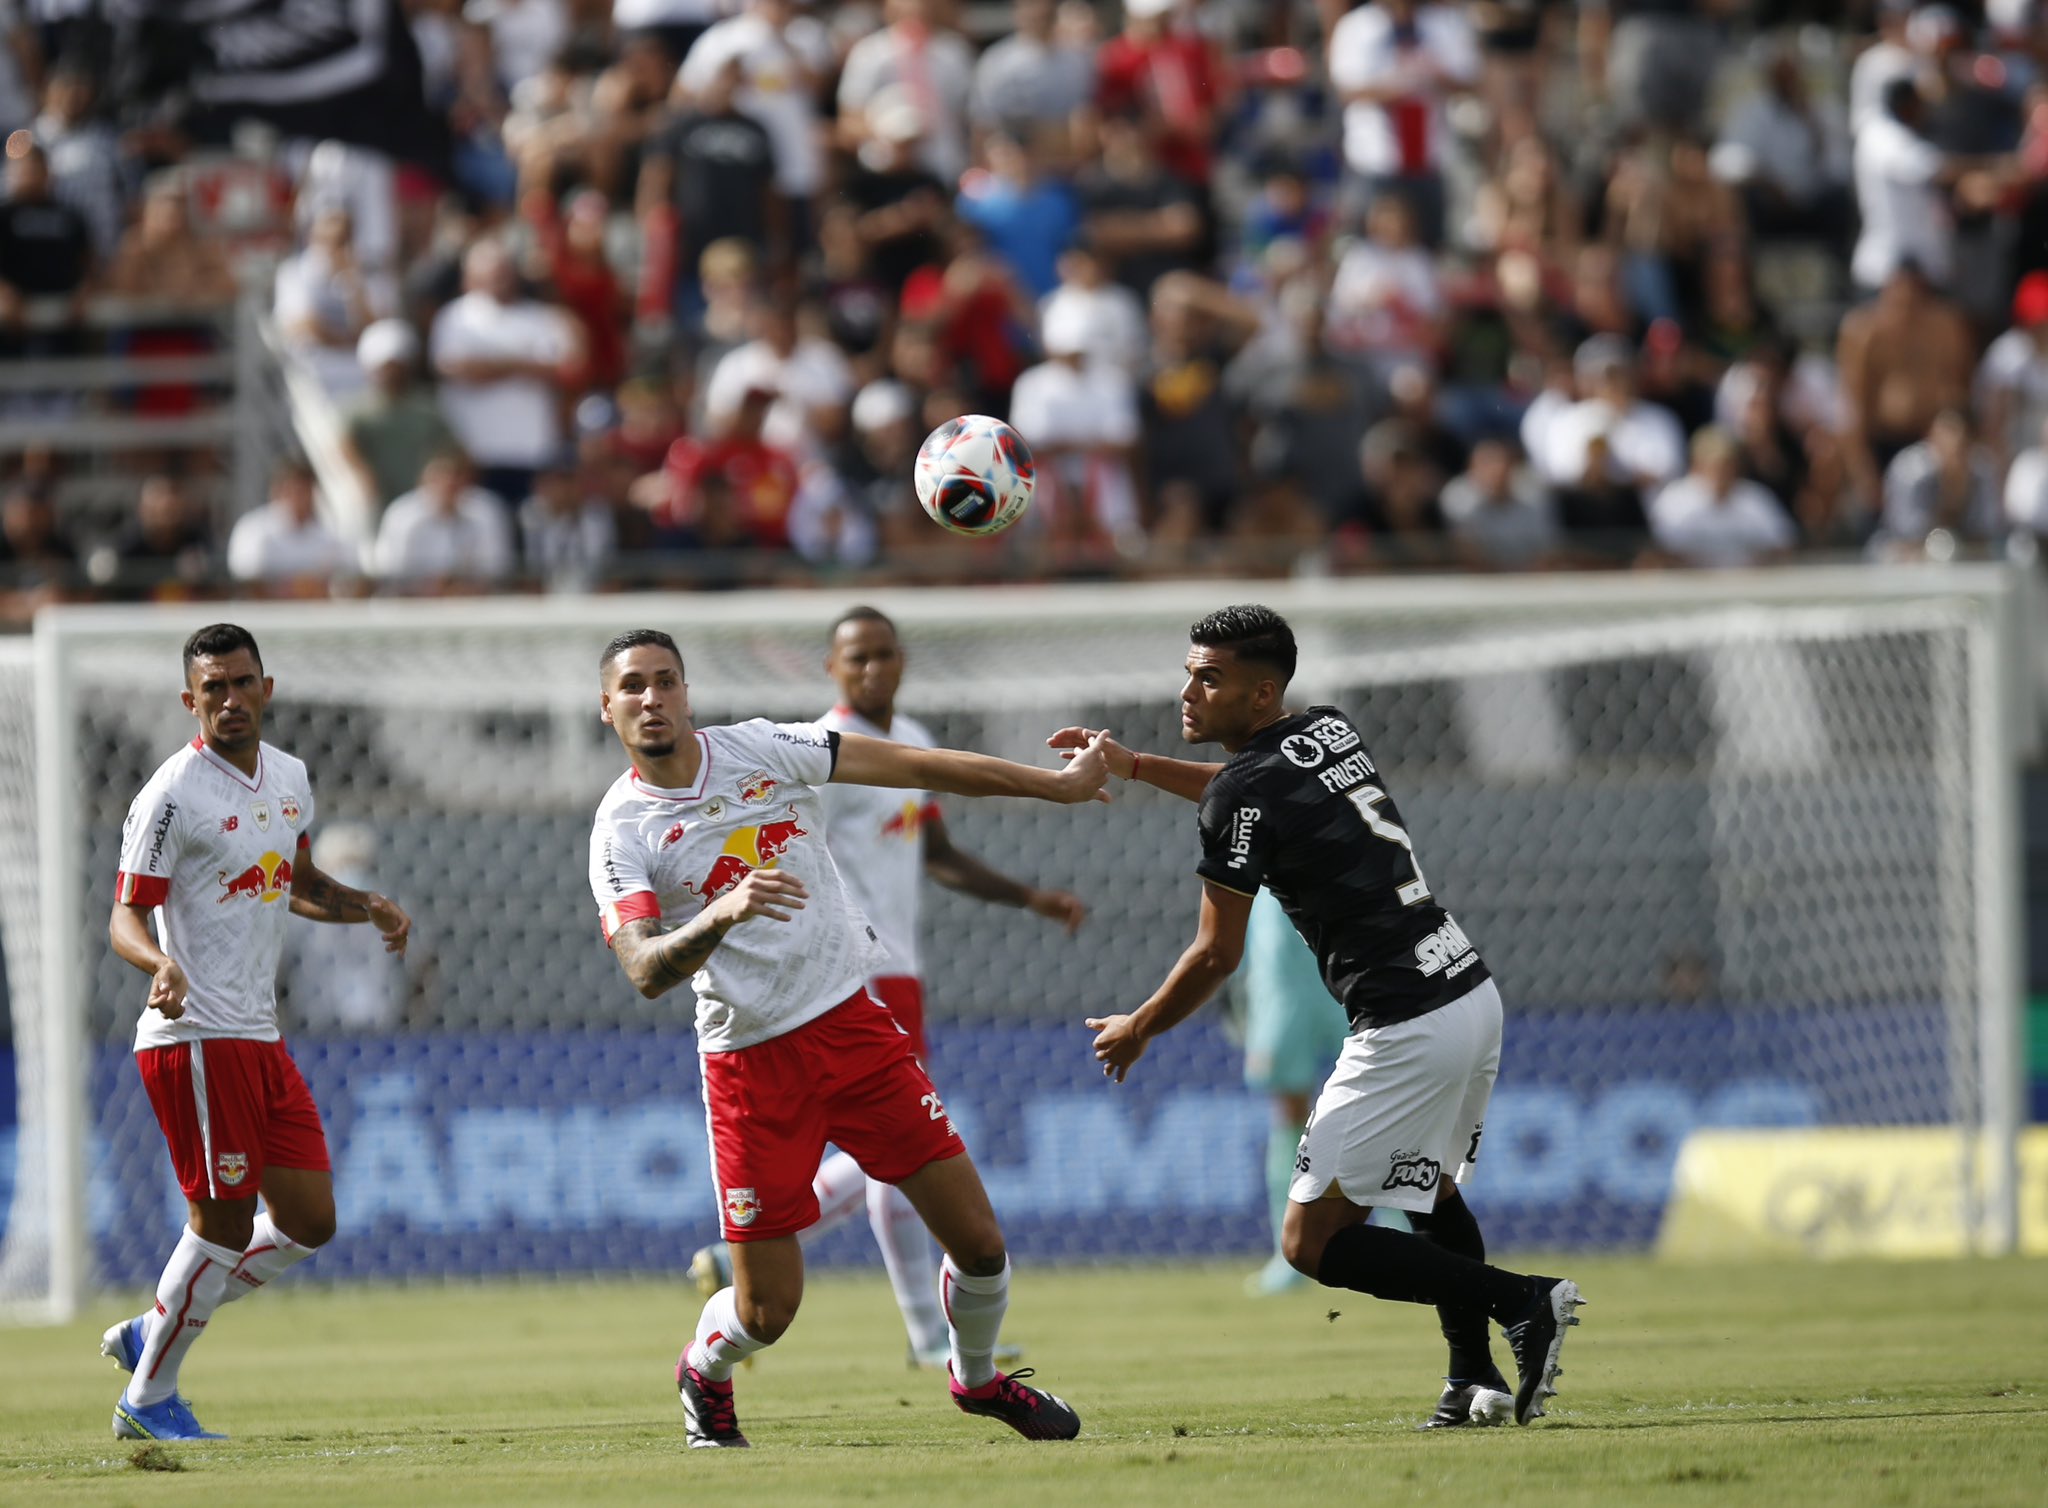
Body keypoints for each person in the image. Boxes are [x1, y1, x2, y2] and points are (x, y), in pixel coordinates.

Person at [1054, 605, 1583, 1431]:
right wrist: (1134, 765)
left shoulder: (1243, 791)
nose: (1188, 690)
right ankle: (1469, 1377)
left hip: (1406, 1020)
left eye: (1211, 678)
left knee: (1312, 1244)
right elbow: (1248, 795)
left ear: (1261, 693)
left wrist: (1141, 1026)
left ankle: (1526, 1302)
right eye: (1190, 671)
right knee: (1428, 1193)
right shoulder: (1325, 729)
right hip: (1467, 989)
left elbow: (1215, 955)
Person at [588, 628, 1107, 1447]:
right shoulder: (622, 830)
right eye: (633, 688)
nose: (652, 699)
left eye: (666, 682)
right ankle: (704, 1369)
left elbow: (919, 768)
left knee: (979, 1244)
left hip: (851, 1025)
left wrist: (1058, 786)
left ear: (688, 694)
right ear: (609, 709)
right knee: (767, 1312)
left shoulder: (763, 748)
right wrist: (721, 912)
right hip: (749, 1065)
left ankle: (977, 1381)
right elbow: (644, 968)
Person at [686, 607, 1087, 1367]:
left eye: (884, 656)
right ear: (832, 669)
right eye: (857, 658)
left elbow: (936, 851)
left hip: (902, 968)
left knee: (902, 1146)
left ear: (902, 662)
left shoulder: (917, 739)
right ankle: (927, 1334)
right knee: (906, 1152)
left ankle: (762, 1248)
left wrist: (1029, 896)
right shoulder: (815, 753)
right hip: (846, 971)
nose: (873, 670)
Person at [100, 624, 413, 1440]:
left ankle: (155, 1325)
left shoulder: (290, 779)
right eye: (213, 689)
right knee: (223, 1224)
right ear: (190, 700)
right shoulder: (172, 793)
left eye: (242, 683)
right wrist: (157, 967)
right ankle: (148, 1399)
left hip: (260, 1036)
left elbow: (297, 882)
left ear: (266, 688)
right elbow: (126, 913)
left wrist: (363, 906)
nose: (230, 700)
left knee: (309, 1220)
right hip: (195, 1036)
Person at [1228, 888, 1348, 1296]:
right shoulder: (1246, 861)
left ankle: (1401, 1231)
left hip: (1347, 980)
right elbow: (1226, 932)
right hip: (1282, 994)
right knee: (1289, 1112)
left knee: (1376, 1103)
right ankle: (1291, 1252)